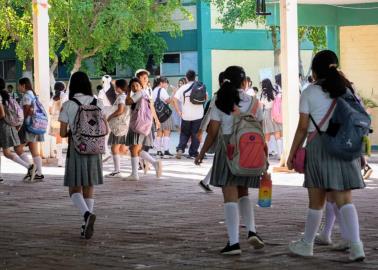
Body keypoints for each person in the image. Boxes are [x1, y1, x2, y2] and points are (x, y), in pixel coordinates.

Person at [287, 50, 365, 261]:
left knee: (316, 201)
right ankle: (356, 247)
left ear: (314, 70)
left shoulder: (309, 92)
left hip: (319, 146)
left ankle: (307, 244)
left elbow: (303, 127)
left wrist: (292, 152)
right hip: (345, 145)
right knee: (345, 200)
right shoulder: (348, 89)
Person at [195, 66, 265, 255]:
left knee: (229, 198)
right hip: (249, 153)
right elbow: (261, 130)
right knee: (244, 193)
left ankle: (233, 243)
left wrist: (201, 153)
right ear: (245, 82)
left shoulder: (220, 100)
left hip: (228, 151)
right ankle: (252, 230)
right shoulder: (255, 102)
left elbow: (213, 131)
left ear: (225, 80)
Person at [59, 71, 104, 239]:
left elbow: (63, 133)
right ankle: (86, 224)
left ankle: (86, 215)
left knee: (74, 188)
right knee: (89, 186)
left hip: (77, 149)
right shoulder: (98, 102)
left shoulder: (68, 104)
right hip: (95, 149)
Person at [125, 77, 162, 181]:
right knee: (136, 149)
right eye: (132, 86)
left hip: (138, 124)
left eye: (136, 85)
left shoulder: (140, 93)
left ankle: (135, 174)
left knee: (134, 148)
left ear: (141, 86)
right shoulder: (144, 93)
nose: (135, 87)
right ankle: (155, 164)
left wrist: (128, 92)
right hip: (142, 124)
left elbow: (128, 102)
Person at [0, 78, 35, 182]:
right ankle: (29, 167)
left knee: (7, 153)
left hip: (3, 126)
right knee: (7, 153)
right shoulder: (6, 95)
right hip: (8, 126)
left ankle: (29, 167)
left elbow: (1, 114)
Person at [197, 71, 225, 193]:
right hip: (221, 132)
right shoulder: (218, 97)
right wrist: (201, 130)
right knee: (223, 158)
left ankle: (206, 181)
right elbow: (209, 114)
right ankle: (206, 181)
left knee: (223, 158)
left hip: (228, 132)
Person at [15, 77, 45, 181]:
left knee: (17, 148)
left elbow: (26, 110)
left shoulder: (27, 96)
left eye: (19, 85)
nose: (18, 87)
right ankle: (39, 173)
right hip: (36, 125)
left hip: (28, 125)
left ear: (23, 85)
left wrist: (20, 124)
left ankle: (32, 169)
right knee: (34, 150)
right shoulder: (33, 95)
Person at [173, 70, 205, 159]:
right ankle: (193, 153)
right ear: (195, 77)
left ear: (186, 78)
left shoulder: (183, 88)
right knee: (195, 134)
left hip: (186, 114)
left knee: (184, 133)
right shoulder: (200, 86)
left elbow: (174, 99)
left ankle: (180, 149)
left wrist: (178, 111)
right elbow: (206, 97)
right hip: (198, 115)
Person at [135, 69, 162, 174]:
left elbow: (151, 106)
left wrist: (156, 119)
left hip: (146, 121)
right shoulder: (135, 89)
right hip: (137, 121)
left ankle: (149, 163)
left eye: (147, 78)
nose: (146, 80)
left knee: (142, 145)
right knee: (137, 145)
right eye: (144, 78)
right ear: (139, 78)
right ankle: (144, 164)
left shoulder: (149, 90)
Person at [106, 79, 130, 178]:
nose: (115, 88)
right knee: (122, 149)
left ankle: (117, 171)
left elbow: (120, 110)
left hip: (119, 127)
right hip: (123, 126)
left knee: (115, 148)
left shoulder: (121, 98)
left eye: (116, 86)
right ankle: (143, 160)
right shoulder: (126, 97)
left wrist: (110, 116)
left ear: (119, 88)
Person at [260, 78, 283, 159]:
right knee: (277, 134)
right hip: (274, 113)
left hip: (267, 113)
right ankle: (280, 155)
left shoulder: (263, 94)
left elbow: (261, 105)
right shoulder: (274, 92)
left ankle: (266, 157)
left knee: (267, 136)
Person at [152, 76, 174, 158]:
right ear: (161, 83)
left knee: (159, 132)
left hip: (156, 115)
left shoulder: (154, 90)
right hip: (164, 115)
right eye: (166, 83)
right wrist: (173, 93)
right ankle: (166, 151)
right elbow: (168, 101)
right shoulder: (162, 90)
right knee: (166, 132)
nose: (167, 84)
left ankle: (158, 152)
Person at [49, 81, 67, 167]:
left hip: (54, 120)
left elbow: (50, 111)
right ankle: (65, 159)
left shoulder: (53, 97)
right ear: (63, 88)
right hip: (64, 119)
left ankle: (59, 158)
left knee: (58, 138)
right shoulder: (65, 95)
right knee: (69, 139)